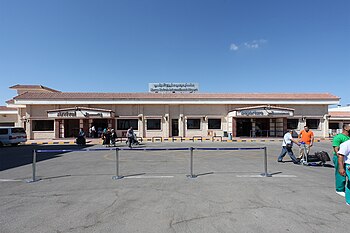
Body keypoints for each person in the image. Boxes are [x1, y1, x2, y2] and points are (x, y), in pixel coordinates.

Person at [332, 124, 350, 197]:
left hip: (347, 158)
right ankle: (339, 189)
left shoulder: (348, 137)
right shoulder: (338, 137)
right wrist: (340, 158)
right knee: (341, 173)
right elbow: (336, 149)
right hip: (339, 157)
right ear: (345, 128)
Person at [337, 139, 350, 205]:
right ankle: (348, 201)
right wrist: (341, 168)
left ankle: (348, 200)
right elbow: (340, 156)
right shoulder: (346, 144)